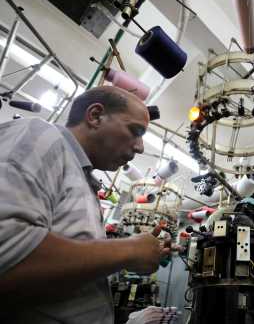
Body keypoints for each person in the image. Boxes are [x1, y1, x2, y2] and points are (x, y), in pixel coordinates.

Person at [0, 86, 172, 323]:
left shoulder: (83, 181)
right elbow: (7, 253)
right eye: (135, 131)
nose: (140, 147)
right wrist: (129, 250)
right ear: (95, 116)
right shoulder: (39, 135)